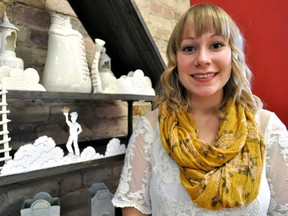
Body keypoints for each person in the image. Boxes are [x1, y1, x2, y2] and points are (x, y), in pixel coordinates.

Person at [112, 3, 288, 216]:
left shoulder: (269, 129)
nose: (203, 59)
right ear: (176, 60)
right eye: (189, 48)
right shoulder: (150, 129)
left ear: (233, 54)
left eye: (216, 45)